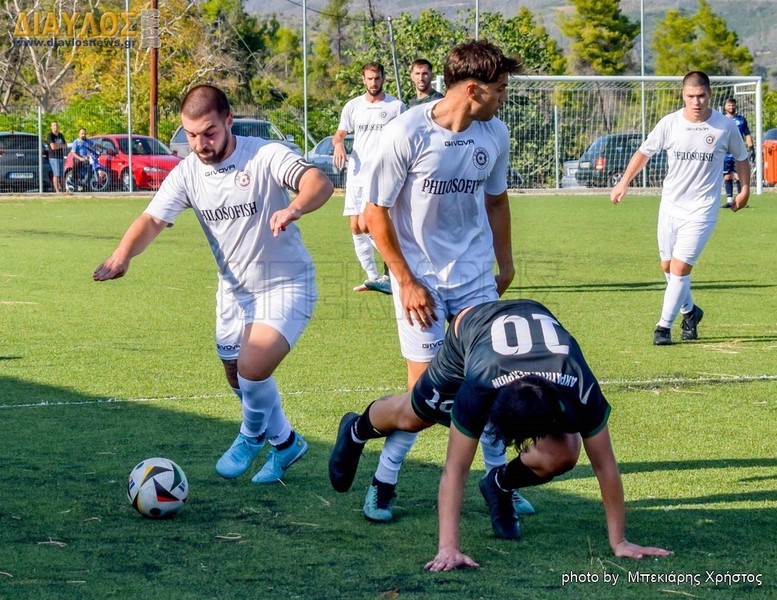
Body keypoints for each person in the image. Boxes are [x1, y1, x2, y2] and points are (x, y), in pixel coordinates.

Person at [93, 84, 333, 484]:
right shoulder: (188, 172)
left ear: (228, 121)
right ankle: (286, 441)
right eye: (190, 135)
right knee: (235, 374)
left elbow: (318, 182)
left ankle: (250, 435)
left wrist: (293, 207)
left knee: (253, 368)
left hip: (286, 283)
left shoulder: (264, 154)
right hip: (233, 292)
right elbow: (152, 219)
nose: (200, 143)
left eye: (208, 132)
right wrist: (122, 256)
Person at [329, 299, 674, 571]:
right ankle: (358, 428)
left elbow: (605, 466)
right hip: (471, 330)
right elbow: (455, 469)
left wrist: (620, 541)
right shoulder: (479, 385)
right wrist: (448, 547)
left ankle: (499, 483)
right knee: (416, 415)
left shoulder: (578, 384)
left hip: (533, 345)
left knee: (564, 453)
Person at [356, 40, 523, 522]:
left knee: (491, 380)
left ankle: (498, 485)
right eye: (500, 89)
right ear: (473, 89)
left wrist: (504, 261)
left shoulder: (494, 133)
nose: (503, 97)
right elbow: (374, 215)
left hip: (473, 278)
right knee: (426, 397)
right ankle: (384, 480)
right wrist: (405, 280)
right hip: (420, 280)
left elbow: (496, 201)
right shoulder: (405, 132)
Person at [610, 71, 750, 346]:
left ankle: (663, 326)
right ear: (682, 95)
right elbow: (644, 152)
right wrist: (624, 182)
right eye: (690, 96)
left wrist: (745, 190)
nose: (696, 102)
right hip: (671, 206)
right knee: (667, 265)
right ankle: (690, 311)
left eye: (701, 96)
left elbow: (742, 158)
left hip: (702, 209)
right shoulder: (670, 123)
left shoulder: (725, 126)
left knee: (680, 267)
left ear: (710, 95)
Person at [332, 62, 405, 294]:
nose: (373, 82)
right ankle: (374, 277)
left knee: (369, 223)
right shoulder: (352, 106)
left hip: (381, 173)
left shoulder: (395, 106)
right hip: (356, 173)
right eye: (369, 78)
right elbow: (339, 135)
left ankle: (395, 268)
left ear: (383, 78)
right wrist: (339, 146)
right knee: (355, 227)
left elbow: (403, 137)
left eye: (377, 78)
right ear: (363, 80)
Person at [721, 97, 754, 208]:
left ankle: (742, 200)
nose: (731, 107)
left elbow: (747, 134)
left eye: (733, 105)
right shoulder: (721, 120)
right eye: (729, 105)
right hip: (725, 154)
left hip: (737, 153)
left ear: (736, 106)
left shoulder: (741, 120)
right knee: (727, 176)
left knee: (739, 176)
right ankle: (729, 201)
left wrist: (751, 148)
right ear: (725, 106)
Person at [46, 121, 68, 193]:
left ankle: (63, 190)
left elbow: (65, 146)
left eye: (56, 125)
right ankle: (57, 190)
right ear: (51, 127)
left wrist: (59, 146)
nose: (56, 127)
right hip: (53, 157)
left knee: (62, 174)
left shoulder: (61, 135)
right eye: (54, 125)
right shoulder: (50, 135)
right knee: (56, 174)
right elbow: (53, 147)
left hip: (60, 156)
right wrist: (60, 145)